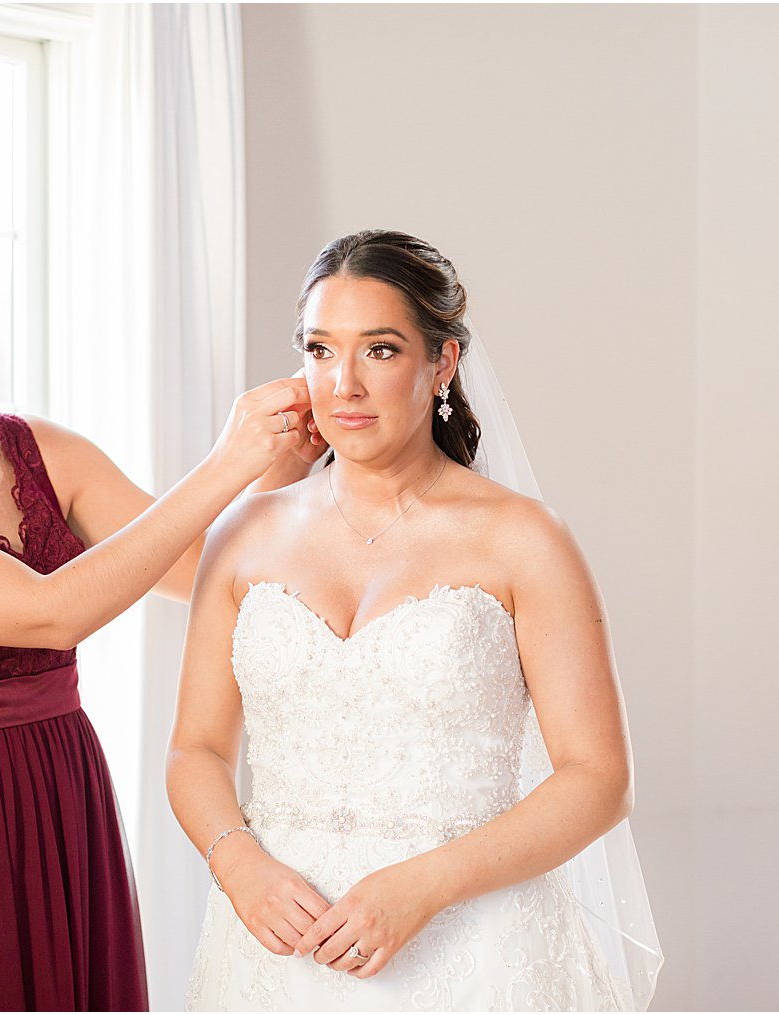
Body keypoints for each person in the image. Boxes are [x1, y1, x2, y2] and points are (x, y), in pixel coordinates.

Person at [0, 202, 315, 1011]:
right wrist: (226, 461)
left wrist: (287, 465)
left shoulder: (39, 447)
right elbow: (48, 612)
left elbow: (198, 568)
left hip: (60, 783)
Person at [167, 230, 662, 1010]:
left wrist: (424, 884)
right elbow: (194, 748)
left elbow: (598, 779)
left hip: (479, 948)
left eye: (381, 350)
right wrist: (239, 866)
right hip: (281, 952)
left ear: (443, 363)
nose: (344, 385)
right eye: (321, 350)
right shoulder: (243, 533)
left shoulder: (524, 538)